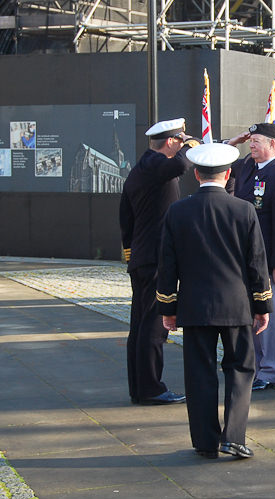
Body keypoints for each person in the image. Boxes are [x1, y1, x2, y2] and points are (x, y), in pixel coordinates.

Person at [157, 142, 272, 459]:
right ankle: (233, 437)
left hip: (194, 307)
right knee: (240, 370)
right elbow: (257, 265)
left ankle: (206, 442)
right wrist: (262, 307)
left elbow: (167, 266)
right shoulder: (244, 210)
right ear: (228, 174)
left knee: (199, 373)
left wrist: (168, 308)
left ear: (196, 174)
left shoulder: (177, 211)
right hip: (236, 307)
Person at [119, 117, 195, 405]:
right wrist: (191, 144)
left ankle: (140, 387)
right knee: (154, 325)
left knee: (139, 325)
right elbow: (181, 164)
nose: (184, 142)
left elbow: (125, 219)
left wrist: (131, 252)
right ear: (172, 141)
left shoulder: (140, 168)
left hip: (141, 257)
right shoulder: (157, 166)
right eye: (181, 138)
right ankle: (151, 389)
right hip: (154, 260)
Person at [227, 123, 275, 391]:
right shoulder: (248, 168)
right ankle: (255, 366)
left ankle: (269, 370)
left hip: (268, 261)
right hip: (246, 257)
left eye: (257, 141)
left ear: (273, 145)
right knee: (251, 314)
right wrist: (234, 140)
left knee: (270, 315)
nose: (251, 145)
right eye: (250, 140)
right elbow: (218, 156)